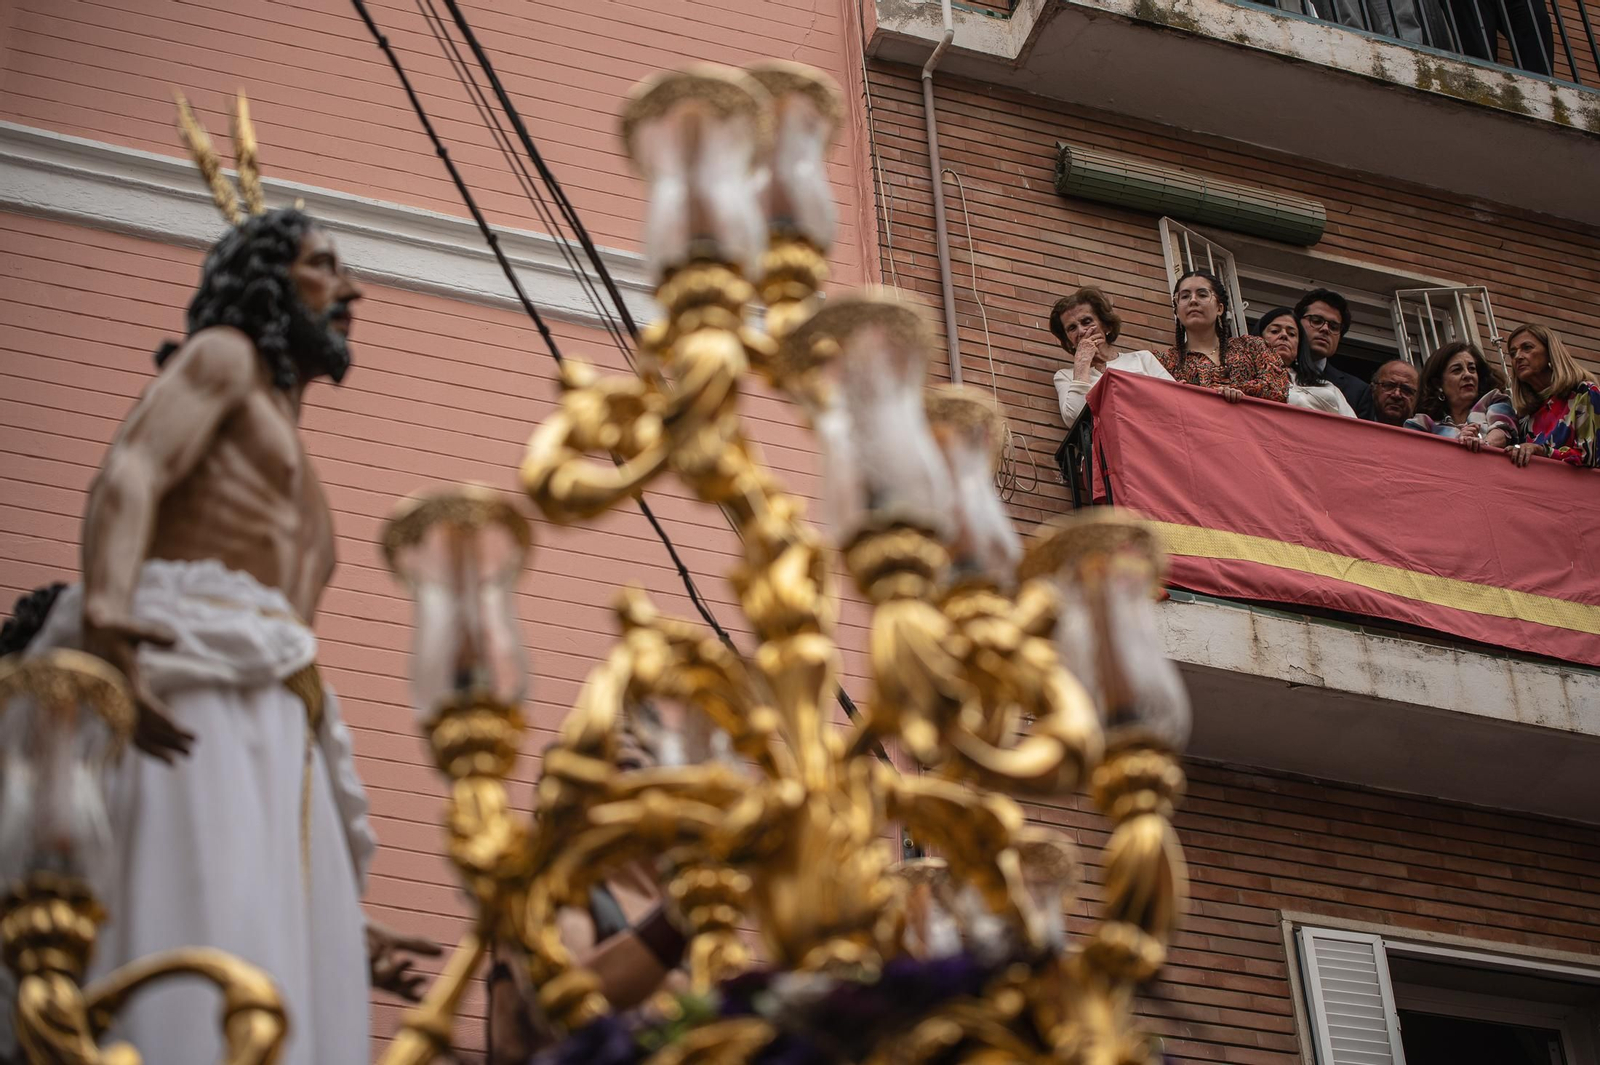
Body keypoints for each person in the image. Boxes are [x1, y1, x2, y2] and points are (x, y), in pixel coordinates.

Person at [19, 97, 435, 1064]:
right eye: (325, 264)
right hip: (185, 664)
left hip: (277, 717)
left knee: (253, 924)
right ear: (265, 278)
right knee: (184, 902)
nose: (351, 288)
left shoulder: (297, 463)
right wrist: (114, 617)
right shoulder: (224, 360)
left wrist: (329, 918)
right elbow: (129, 470)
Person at [1157, 269, 1289, 404]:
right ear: (1177, 312)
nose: (1193, 300)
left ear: (1220, 308)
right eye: (1185, 296)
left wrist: (1237, 391)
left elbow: (1278, 389)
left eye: (1202, 295)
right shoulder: (1165, 362)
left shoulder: (1252, 346)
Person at [1048, 286, 1173, 426]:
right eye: (1072, 328)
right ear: (1068, 341)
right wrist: (1082, 363)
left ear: (1106, 326)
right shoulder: (1065, 376)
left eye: (1087, 322)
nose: (1081, 331)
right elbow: (1074, 418)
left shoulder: (1143, 359)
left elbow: (1175, 401)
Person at [1504, 322, 1600, 468]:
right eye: (1512, 353)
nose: (1518, 356)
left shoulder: (1584, 393)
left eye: (1527, 348)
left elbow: (1590, 457)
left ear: (1550, 352)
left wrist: (1542, 452)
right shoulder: (1524, 417)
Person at [1403, 341, 1517, 450]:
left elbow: (1502, 429)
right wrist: (1458, 442)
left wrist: (1482, 444)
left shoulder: (1495, 400)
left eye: (1472, 369)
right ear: (1438, 384)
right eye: (1457, 370)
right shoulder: (1423, 424)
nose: (1468, 375)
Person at [1252, 306, 1355, 416]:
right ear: (1258, 339)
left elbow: (1355, 428)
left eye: (1292, 334)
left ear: (1299, 347)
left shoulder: (1327, 386)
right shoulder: (1248, 381)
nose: (1284, 335)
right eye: (1275, 331)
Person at [1294, 288, 1375, 419]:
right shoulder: (1271, 369)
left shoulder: (1357, 391)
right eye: (1316, 320)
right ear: (1296, 324)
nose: (1325, 329)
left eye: (1334, 327)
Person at [1370, 360, 1421, 426]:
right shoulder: (1355, 424)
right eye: (1389, 386)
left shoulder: (1424, 434)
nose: (1397, 395)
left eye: (1406, 390)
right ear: (1373, 389)